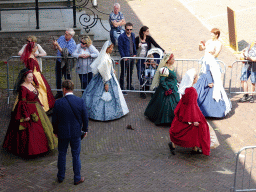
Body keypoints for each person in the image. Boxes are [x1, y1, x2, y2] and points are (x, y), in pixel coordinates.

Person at [2, 69, 57, 158]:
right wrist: (26, 115)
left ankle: (42, 148)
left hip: (36, 108)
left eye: (32, 77)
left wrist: (40, 104)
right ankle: (30, 150)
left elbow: (35, 96)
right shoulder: (23, 88)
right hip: (28, 110)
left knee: (41, 128)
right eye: (29, 77)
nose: (31, 78)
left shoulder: (31, 84)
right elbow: (22, 102)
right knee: (29, 131)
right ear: (24, 78)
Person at [52, 80, 89, 185]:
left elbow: (54, 120)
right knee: (76, 155)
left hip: (62, 133)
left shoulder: (58, 103)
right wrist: (85, 130)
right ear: (72, 89)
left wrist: (55, 131)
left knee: (62, 154)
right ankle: (77, 177)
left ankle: (60, 176)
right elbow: (85, 117)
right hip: (76, 133)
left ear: (63, 89)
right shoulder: (80, 101)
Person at [82, 41, 129, 121]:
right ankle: (101, 114)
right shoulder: (104, 58)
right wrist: (106, 83)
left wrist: (112, 69)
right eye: (111, 48)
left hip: (108, 76)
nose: (112, 49)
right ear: (107, 48)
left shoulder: (106, 55)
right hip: (106, 78)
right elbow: (104, 71)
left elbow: (108, 67)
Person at [169, 68, 211, 156]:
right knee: (200, 127)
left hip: (184, 111)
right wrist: (194, 119)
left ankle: (189, 146)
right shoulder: (191, 90)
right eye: (196, 77)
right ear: (193, 79)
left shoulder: (185, 88)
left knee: (181, 128)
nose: (197, 79)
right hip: (190, 112)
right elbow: (191, 105)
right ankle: (195, 147)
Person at [195, 28, 232, 118]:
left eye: (212, 34)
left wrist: (212, 53)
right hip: (205, 63)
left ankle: (214, 107)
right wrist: (201, 45)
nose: (211, 35)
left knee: (213, 81)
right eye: (211, 34)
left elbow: (216, 54)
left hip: (212, 64)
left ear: (216, 35)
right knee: (203, 79)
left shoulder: (219, 43)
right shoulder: (209, 41)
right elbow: (201, 49)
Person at [144, 53, 180, 125]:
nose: (174, 60)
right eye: (172, 59)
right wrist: (167, 89)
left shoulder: (172, 67)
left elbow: (173, 77)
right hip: (166, 89)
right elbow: (162, 81)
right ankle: (166, 120)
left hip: (173, 88)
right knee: (167, 104)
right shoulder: (164, 69)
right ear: (168, 60)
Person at [20, 41, 55, 112]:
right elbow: (31, 72)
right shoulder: (30, 58)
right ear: (33, 48)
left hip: (38, 75)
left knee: (44, 90)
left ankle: (45, 107)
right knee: (39, 92)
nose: (37, 48)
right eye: (36, 47)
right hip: (35, 76)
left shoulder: (32, 56)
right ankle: (41, 109)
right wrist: (36, 82)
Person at [135, 26, 165, 98]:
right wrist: (137, 46)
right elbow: (134, 48)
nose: (148, 32)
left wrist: (163, 50)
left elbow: (156, 44)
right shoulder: (137, 39)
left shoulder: (149, 38)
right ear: (143, 32)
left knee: (148, 71)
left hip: (147, 58)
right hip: (139, 58)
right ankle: (142, 87)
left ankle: (148, 86)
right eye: (147, 31)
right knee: (140, 72)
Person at [53, 28, 77, 99]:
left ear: (71, 36)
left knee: (67, 79)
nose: (65, 35)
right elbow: (55, 49)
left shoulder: (72, 43)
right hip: (59, 61)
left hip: (67, 63)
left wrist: (57, 45)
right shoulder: (61, 38)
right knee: (58, 78)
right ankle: (59, 93)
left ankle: (68, 93)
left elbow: (65, 53)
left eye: (66, 34)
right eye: (65, 33)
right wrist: (55, 45)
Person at [118, 22, 137, 91]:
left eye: (130, 29)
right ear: (125, 29)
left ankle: (129, 85)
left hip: (132, 57)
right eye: (128, 29)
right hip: (125, 58)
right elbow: (120, 48)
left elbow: (133, 44)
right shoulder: (121, 37)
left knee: (130, 72)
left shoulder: (132, 35)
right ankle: (122, 87)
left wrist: (135, 53)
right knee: (123, 72)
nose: (129, 31)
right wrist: (123, 57)